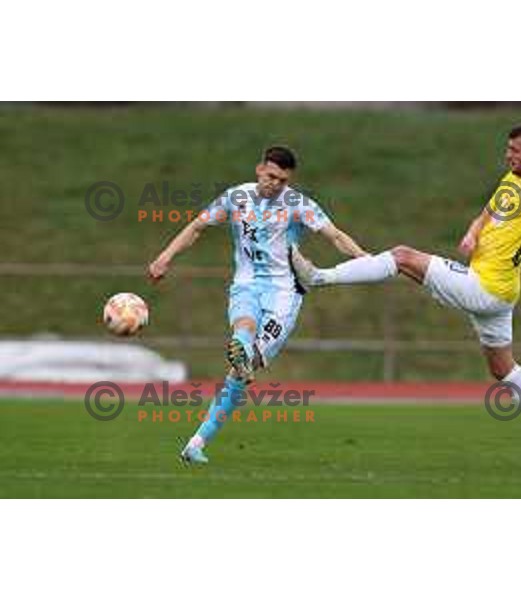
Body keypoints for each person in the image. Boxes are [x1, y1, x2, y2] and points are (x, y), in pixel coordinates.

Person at [291, 123, 521, 471]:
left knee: (402, 256)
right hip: (499, 294)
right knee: (502, 368)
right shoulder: (512, 180)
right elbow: (487, 214)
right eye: (507, 148)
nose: (508, 155)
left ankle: (317, 278)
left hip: (485, 286)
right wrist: (472, 233)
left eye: (515, 150)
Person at [148, 145, 367, 465]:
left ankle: (197, 441)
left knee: (240, 374)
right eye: (271, 176)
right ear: (259, 169)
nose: (275, 184)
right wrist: (164, 257)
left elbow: (333, 235)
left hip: (283, 295)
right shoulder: (236, 197)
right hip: (247, 285)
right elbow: (197, 226)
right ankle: (240, 353)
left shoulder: (297, 204)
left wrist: (366, 260)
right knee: (244, 329)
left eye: (282, 180)